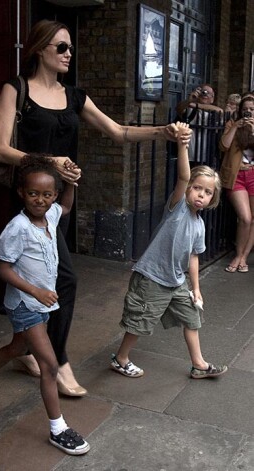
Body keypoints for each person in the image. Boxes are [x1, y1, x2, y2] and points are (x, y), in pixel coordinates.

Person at [0, 19, 191, 395]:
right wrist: (50, 161)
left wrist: (163, 131)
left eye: (70, 47)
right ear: (39, 49)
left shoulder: (75, 97)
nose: (69, 54)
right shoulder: (16, 89)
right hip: (28, 202)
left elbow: (119, 131)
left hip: (60, 204)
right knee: (61, 278)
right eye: (61, 47)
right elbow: (0, 148)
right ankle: (59, 361)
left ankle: (28, 349)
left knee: (47, 275)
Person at [0, 154, 90, 455]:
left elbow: (67, 207)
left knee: (18, 348)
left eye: (47, 195)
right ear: (22, 192)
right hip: (25, 303)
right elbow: (4, 270)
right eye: (33, 194)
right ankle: (58, 428)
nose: (40, 200)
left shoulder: (51, 215)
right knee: (48, 365)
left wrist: (72, 183)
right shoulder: (17, 228)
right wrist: (36, 291)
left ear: (54, 195)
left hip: (41, 304)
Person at [110, 122, 228, 380]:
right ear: (188, 190)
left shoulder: (199, 225)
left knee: (192, 318)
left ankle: (199, 364)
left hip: (177, 281)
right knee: (141, 321)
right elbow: (183, 176)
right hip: (152, 277)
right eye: (197, 188)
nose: (201, 194)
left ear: (212, 199)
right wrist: (182, 145)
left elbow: (194, 256)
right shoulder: (178, 208)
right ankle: (120, 359)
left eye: (207, 192)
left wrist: (196, 288)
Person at [220, 95, 254, 273]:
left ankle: (243, 257)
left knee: (253, 219)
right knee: (245, 218)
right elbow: (223, 146)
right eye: (246, 109)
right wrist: (235, 126)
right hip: (237, 176)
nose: (248, 111)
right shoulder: (232, 124)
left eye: (252, 109)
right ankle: (237, 254)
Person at [176, 84, 223, 165]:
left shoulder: (213, 111)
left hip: (207, 156)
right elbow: (178, 109)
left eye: (208, 93)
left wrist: (196, 105)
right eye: (203, 91)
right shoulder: (190, 110)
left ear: (212, 98)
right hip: (189, 155)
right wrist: (189, 100)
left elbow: (220, 111)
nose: (205, 94)